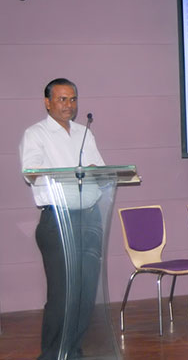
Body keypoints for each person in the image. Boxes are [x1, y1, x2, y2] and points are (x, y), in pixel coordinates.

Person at [19, 78, 105, 360]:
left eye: (73, 99)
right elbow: (31, 172)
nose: (69, 105)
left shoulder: (84, 133)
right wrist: (72, 171)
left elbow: (101, 170)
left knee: (85, 294)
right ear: (47, 102)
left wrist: (94, 170)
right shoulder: (36, 134)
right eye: (62, 99)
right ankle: (52, 355)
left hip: (89, 219)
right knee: (63, 295)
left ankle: (73, 351)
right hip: (58, 221)